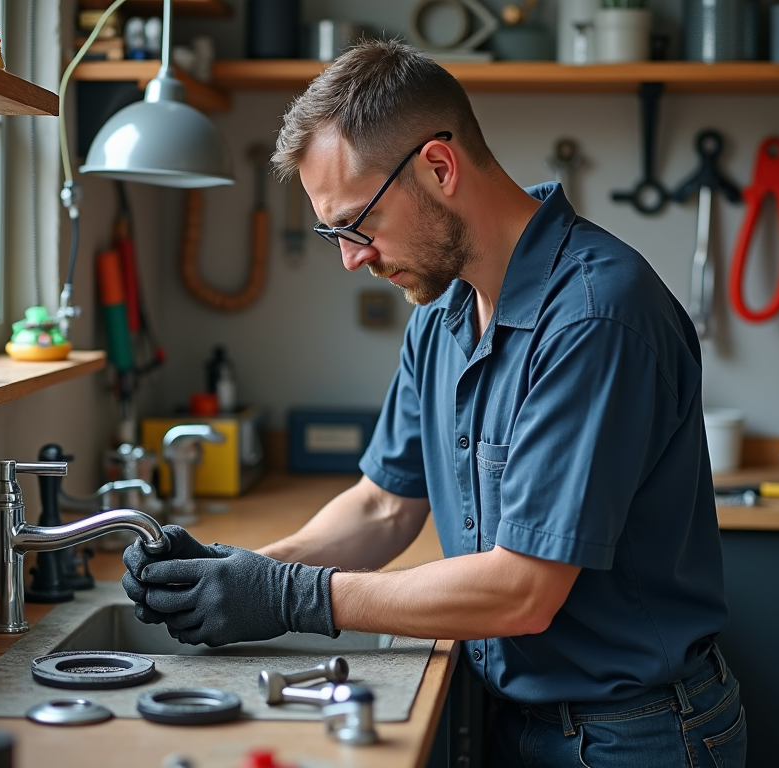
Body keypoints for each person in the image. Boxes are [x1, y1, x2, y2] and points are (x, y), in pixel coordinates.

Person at [122, 40, 746, 767]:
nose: (351, 258)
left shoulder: (594, 318)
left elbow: (522, 591)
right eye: (333, 233)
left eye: (356, 224)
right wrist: (236, 573)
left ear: (439, 168)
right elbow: (384, 506)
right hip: (515, 715)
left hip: (631, 736)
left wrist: (288, 595)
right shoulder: (442, 316)